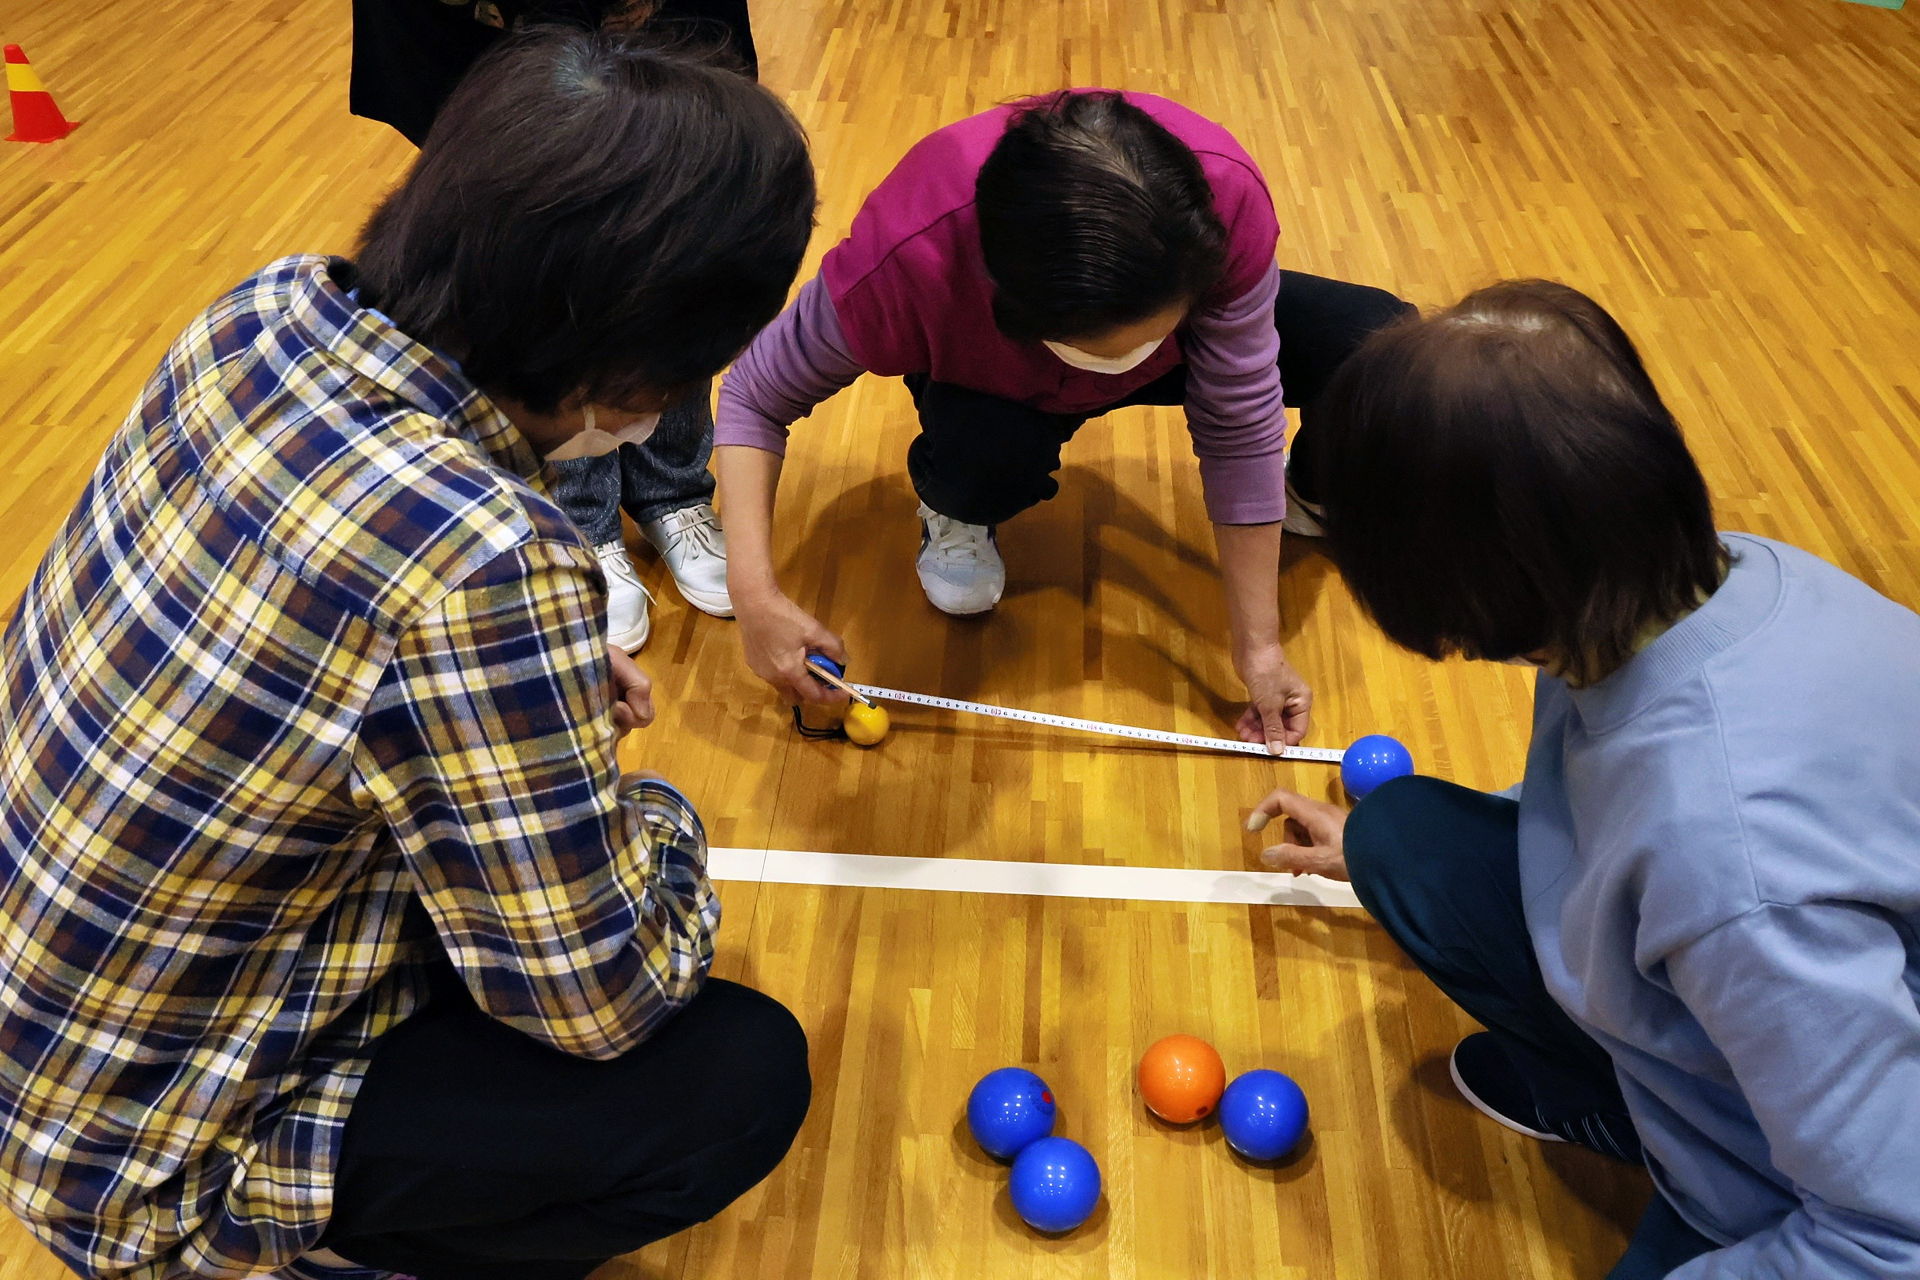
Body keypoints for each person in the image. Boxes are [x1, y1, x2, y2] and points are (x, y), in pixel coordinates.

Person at [0, 29, 815, 1280]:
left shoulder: (266, 311)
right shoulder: (486, 560)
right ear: (627, 366)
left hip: (48, 1028)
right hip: (151, 1170)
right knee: (734, 1077)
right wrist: (659, 821)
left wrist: (506, 690)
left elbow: (314, 623)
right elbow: (596, 997)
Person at [1248, 281, 1920, 1278]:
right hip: (1799, 1005)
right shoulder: (1685, 580)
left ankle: (1689, 1165)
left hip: (1847, 1192)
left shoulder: (1733, 865)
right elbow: (1620, 790)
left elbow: (1891, 1236)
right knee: (1401, 840)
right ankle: (1635, 1106)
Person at [714, 90, 1413, 753]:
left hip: (1147, 323)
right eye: (1107, 351)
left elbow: (1240, 420)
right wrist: (755, 596)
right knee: (981, 463)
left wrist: (1258, 648)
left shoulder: (1222, 204)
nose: (1130, 361)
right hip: (997, 382)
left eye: (1153, 334)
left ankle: (1303, 492)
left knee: (1377, 346)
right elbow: (754, 396)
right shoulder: (904, 261)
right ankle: (958, 506)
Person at [351, 0, 763, 650]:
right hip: (491, 27)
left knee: (673, 224)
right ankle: (578, 521)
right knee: (544, 242)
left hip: (652, 17)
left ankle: (672, 492)